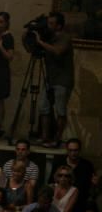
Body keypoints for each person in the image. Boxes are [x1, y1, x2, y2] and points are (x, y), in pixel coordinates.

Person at [32, 11, 75, 147]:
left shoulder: (65, 38)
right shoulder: (48, 38)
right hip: (50, 79)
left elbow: (58, 51)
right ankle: (45, 137)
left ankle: (57, 139)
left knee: (60, 110)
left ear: (59, 26)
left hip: (63, 80)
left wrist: (40, 42)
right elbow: (31, 48)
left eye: (51, 23)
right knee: (44, 107)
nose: (48, 25)